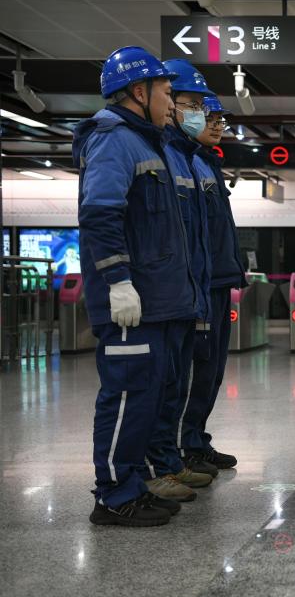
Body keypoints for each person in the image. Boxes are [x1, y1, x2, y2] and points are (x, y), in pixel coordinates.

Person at [74, 46, 194, 526]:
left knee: (147, 396)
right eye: (166, 92)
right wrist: (118, 281)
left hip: (157, 302)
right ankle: (112, 495)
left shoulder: (148, 143)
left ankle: (134, 484)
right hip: (131, 302)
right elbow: (100, 214)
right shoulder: (113, 140)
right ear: (139, 92)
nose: (172, 103)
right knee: (126, 394)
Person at [141, 58, 216, 502]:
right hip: (163, 292)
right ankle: (156, 466)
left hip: (188, 290)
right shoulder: (159, 153)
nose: (194, 113)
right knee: (160, 384)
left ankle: (169, 460)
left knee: (178, 383)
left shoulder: (188, 157)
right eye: (185, 102)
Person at [177, 93, 246, 471]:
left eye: (222, 119)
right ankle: (181, 446)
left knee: (213, 370)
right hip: (199, 283)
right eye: (210, 116)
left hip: (218, 280)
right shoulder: (182, 159)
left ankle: (196, 439)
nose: (218, 125)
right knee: (196, 368)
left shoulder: (205, 161)